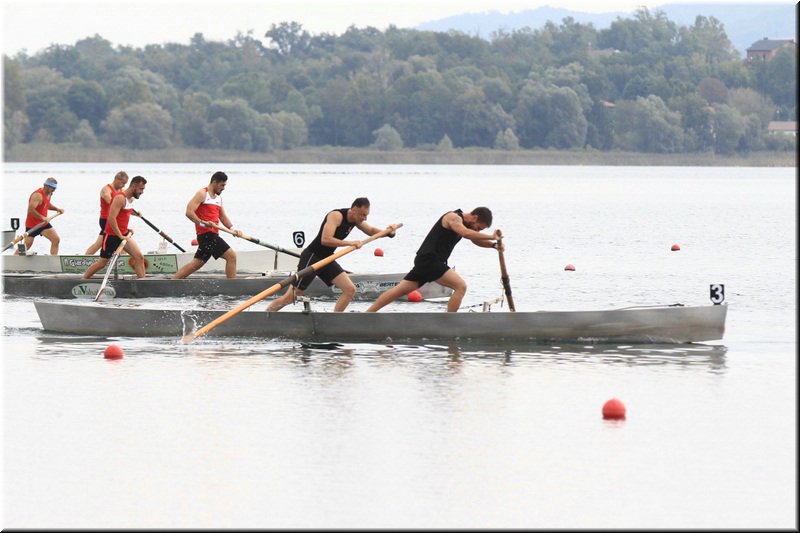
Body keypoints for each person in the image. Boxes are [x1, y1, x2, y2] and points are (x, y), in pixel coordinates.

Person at [267, 197, 399, 313]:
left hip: (327, 259)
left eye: (366, 215)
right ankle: (267, 314)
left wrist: (389, 232)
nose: (364, 218)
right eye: (363, 215)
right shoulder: (336, 216)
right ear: (354, 210)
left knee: (349, 290)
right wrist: (350, 243)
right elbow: (326, 239)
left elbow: (371, 231)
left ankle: (335, 319)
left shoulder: (356, 220)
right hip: (312, 257)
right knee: (293, 296)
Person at [366, 207, 501, 313]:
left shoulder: (467, 226)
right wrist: (491, 236)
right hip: (430, 260)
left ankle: (367, 314)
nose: (477, 230)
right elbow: (465, 233)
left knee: (399, 290)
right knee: (460, 286)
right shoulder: (453, 217)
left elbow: (474, 238)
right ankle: (450, 323)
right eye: (478, 227)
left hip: (426, 260)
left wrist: (494, 245)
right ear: (475, 217)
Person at [172, 171, 242, 279]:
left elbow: (222, 217)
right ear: (214, 182)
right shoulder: (202, 193)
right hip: (206, 235)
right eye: (222, 185)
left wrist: (234, 229)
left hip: (213, 235)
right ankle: (232, 286)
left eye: (225, 185)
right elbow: (189, 212)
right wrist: (202, 224)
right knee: (231, 256)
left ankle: (173, 281)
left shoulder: (218, 198)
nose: (223, 188)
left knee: (196, 263)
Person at [83, 176, 148, 279]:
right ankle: (83, 279)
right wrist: (120, 235)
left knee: (139, 257)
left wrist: (128, 228)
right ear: (134, 186)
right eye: (141, 189)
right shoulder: (120, 198)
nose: (142, 192)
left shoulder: (131, 198)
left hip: (124, 235)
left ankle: (143, 283)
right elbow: (111, 219)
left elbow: (125, 212)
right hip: (112, 236)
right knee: (102, 263)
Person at [15, 178, 65, 255]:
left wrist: (57, 209)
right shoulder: (37, 195)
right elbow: (31, 210)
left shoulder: (50, 193)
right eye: (53, 188)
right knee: (26, 246)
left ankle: (54, 261)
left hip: (43, 224)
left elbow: (46, 204)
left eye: (55, 188)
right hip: (33, 225)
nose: (54, 190)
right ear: (46, 186)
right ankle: (14, 258)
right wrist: (43, 217)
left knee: (56, 239)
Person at [84, 171, 129, 255]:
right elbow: (110, 201)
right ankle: (122, 259)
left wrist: (134, 212)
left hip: (114, 220)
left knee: (99, 243)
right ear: (116, 179)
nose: (123, 186)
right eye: (122, 183)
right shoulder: (106, 189)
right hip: (106, 220)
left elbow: (125, 205)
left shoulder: (121, 190)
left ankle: (86, 258)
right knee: (121, 241)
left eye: (125, 184)